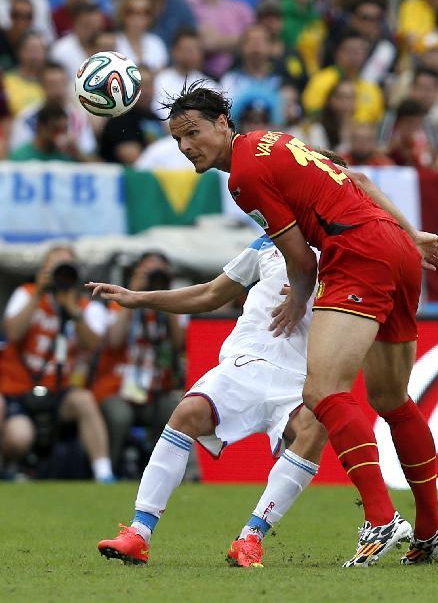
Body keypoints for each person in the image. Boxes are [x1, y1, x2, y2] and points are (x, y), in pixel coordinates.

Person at [161, 84, 438, 567]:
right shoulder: (274, 141)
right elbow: (357, 177)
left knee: (323, 392)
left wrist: (299, 299)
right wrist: (411, 235)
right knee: (391, 400)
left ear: (222, 124)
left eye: (193, 132)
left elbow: (301, 263)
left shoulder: (243, 177)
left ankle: (381, 519)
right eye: (178, 140)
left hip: (358, 251)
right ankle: (430, 530)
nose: (187, 146)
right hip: (395, 248)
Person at [89, 235, 328, 567]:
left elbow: (364, 303)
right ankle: (138, 533)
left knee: (314, 429)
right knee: (189, 412)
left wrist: (315, 294)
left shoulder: (344, 246)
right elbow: (211, 293)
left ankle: (251, 538)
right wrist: (140, 297)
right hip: (247, 361)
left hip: (299, 376)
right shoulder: (267, 243)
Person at [0, 245, 113, 482]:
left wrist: (71, 308)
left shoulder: (85, 306)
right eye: (54, 268)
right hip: (17, 388)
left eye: (65, 268)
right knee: (19, 437)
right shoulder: (26, 292)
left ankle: (104, 473)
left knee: (84, 400)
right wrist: (39, 293)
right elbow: (12, 332)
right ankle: (9, 467)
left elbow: (93, 344)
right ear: (43, 270)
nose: (59, 275)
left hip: (59, 391)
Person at [90, 252, 184, 477]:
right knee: (120, 415)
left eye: (158, 273)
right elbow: (114, 340)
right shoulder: (115, 304)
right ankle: (109, 470)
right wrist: (132, 295)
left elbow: (180, 345)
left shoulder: (172, 308)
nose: (153, 278)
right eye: (147, 273)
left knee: (174, 408)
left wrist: (166, 296)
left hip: (157, 390)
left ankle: (163, 474)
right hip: (117, 390)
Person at [8, 61, 97, 159]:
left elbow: (89, 152)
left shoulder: (79, 117)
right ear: (41, 86)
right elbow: (17, 154)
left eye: (61, 83)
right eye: (52, 84)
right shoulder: (26, 118)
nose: (57, 89)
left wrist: (75, 150)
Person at [152, 29, 217, 120]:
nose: (193, 54)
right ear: (174, 51)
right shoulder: (159, 80)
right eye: (188, 49)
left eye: (197, 49)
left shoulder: (209, 85)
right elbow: (157, 112)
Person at [9, 102, 83, 161]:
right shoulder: (20, 157)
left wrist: (77, 153)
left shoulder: (68, 154)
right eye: (56, 129)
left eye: (64, 130)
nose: (60, 134)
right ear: (40, 127)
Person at [115, 0, 168, 72]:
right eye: (132, 11)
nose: (139, 17)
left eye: (146, 12)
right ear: (123, 14)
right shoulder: (114, 43)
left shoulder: (157, 43)